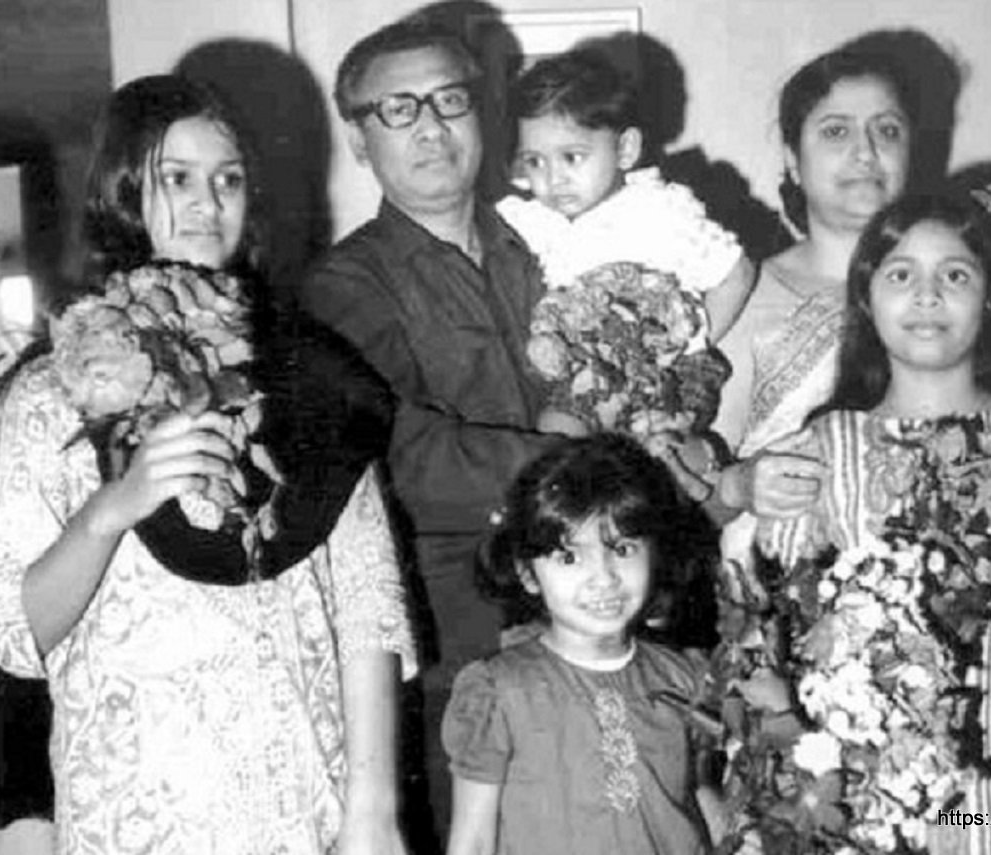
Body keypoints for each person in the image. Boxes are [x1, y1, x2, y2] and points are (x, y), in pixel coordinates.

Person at [0, 75, 416, 854]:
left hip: (302, 799)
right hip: (135, 805)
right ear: (123, 190)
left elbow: (368, 601)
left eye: (228, 180)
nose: (208, 203)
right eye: (177, 178)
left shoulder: (313, 376)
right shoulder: (51, 391)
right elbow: (14, 633)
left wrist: (374, 810)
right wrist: (111, 510)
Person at [751, 193, 991, 855]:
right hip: (860, 819)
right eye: (900, 274)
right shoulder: (819, 449)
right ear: (866, 298)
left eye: (955, 275)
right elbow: (771, 628)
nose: (927, 295)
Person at [297, 18, 559, 843]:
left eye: (449, 100)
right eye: (398, 108)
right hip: (463, 653)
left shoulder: (546, 244)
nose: (431, 127)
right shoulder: (343, 287)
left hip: (598, 620)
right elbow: (404, 463)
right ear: (358, 138)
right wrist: (585, 463)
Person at [441, 434, 737, 855]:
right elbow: (472, 841)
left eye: (623, 549)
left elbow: (699, 796)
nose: (604, 577)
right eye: (569, 557)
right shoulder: (499, 691)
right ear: (527, 574)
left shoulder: (685, 677)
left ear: (654, 554)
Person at [712, 42, 916, 484]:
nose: (866, 152)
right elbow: (694, 494)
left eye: (887, 130)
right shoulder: (740, 299)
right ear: (793, 160)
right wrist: (741, 486)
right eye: (836, 132)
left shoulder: (958, 291)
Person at [497, 48, 754, 364]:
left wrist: (691, 354)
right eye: (535, 161)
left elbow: (737, 273)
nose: (553, 179)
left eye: (572, 157)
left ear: (625, 149)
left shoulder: (658, 213)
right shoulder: (529, 221)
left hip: (649, 378)